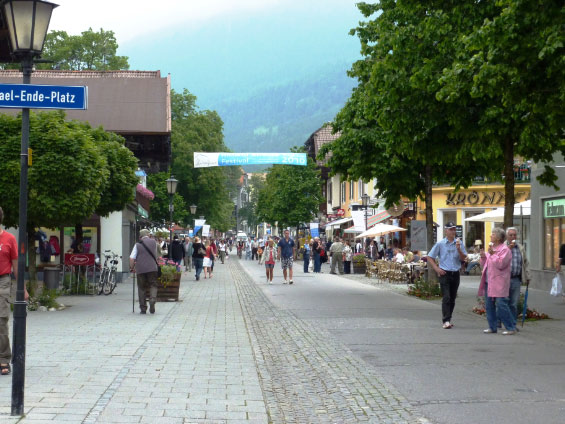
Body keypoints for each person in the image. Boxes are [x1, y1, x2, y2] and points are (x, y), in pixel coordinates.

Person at [0, 206, 28, 375]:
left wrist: (22, 288)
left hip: (2, 281)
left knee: (1, 320)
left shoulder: (9, 239)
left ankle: (3, 359)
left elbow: (16, 266)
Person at [427, 221, 467, 329]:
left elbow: (463, 258)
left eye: (454, 229)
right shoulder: (440, 244)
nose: (453, 231)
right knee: (447, 297)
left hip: (455, 273)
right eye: (451, 229)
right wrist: (437, 269)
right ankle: (446, 321)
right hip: (444, 273)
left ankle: (448, 318)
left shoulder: (459, 243)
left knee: (452, 298)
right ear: (446, 231)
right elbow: (429, 257)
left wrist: (459, 249)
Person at [478, 227, 515, 335]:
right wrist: (483, 257)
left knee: (501, 305)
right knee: (489, 305)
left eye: (493, 234)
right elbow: (484, 265)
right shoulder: (491, 248)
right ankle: (492, 327)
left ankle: (510, 327)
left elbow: (501, 264)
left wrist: (493, 254)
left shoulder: (505, 250)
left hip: (499, 282)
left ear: (498, 238)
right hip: (489, 281)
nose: (491, 236)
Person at [129, 229, 159, 315]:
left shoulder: (137, 244)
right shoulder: (154, 242)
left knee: (141, 288)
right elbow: (157, 254)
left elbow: (132, 258)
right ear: (148, 235)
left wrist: (131, 267)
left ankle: (143, 308)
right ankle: (152, 299)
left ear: (140, 236)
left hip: (140, 269)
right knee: (153, 285)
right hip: (152, 268)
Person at [506, 227, 530, 329]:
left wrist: (528, 275)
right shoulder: (503, 247)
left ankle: (512, 324)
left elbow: (525, 262)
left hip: (516, 278)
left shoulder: (520, 247)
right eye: (511, 235)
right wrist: (509, 249)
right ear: (507, 236)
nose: (513, 237)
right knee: (503, 302)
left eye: (514, 235)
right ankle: (501, 321)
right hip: (504, 279)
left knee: (513, 303)